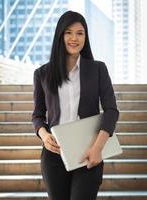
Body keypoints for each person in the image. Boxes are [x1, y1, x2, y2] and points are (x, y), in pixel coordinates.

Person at [32, 10, 119, 200]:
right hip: (54, 156)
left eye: (80, 33)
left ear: (85, 37)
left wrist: (97, 148)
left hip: (89, 150)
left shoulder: (98, 69)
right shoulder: (42, 74)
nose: (74, 38)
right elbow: (38, 115)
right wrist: (45, 136)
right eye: (68, 32)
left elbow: (111, 111)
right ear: (60, 35)